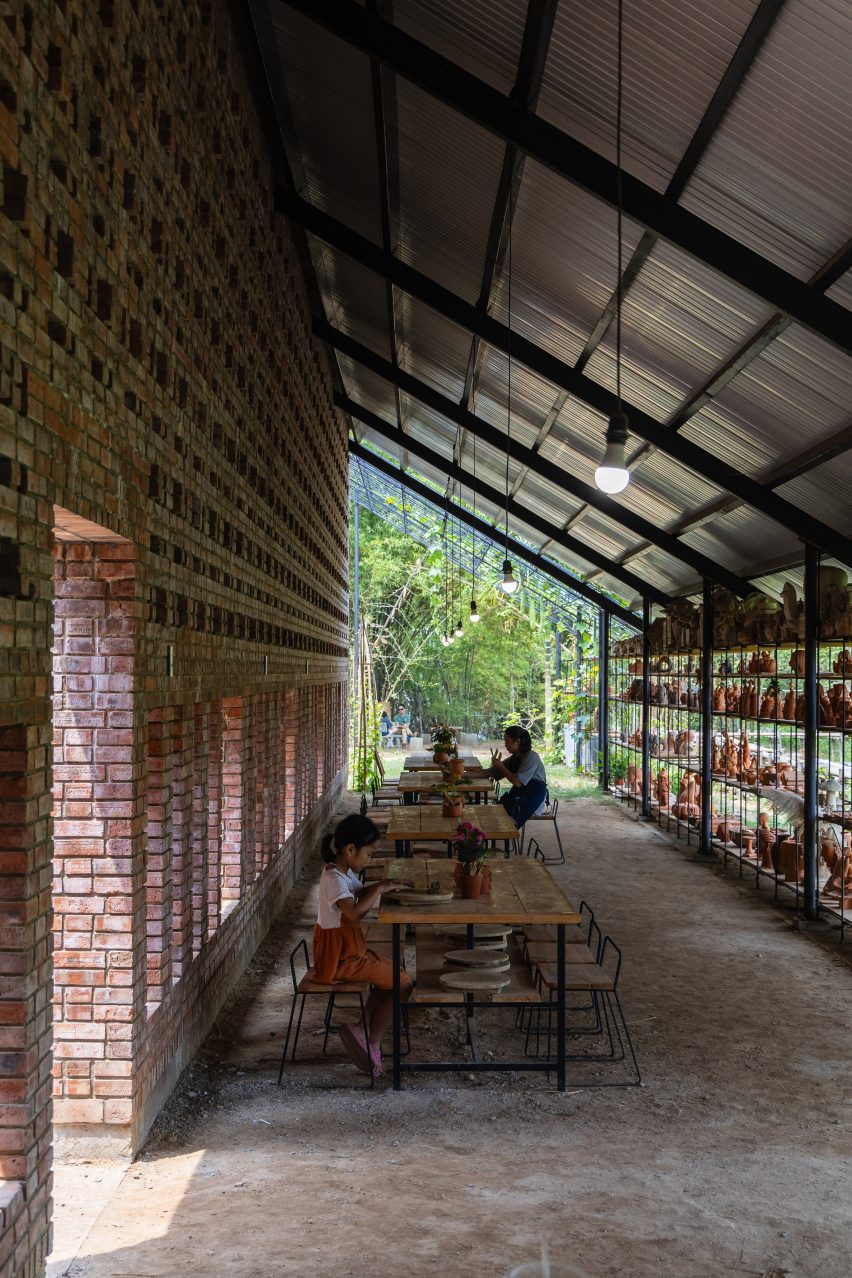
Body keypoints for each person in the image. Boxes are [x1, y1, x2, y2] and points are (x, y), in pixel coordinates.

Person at [314, 814, 414, 1076]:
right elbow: (353, 913)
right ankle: (372, 1040)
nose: (369, 860)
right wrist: (380, 890)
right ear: (350, 850)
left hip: (348, 953)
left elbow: (359, 892)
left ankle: (363, 1028)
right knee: (404, 984)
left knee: (391, 977)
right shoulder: (334, 879)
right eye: (368, 855)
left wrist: (384, 884)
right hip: (342, 961)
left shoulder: (340, 872)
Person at [489, 725, 548, 828]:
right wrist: (463, 774)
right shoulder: (514, 758)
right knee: (497, 810)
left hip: (533, 799)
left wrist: (500, 766)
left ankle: (507, 836)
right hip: (520, 795)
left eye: (507, 742)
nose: (505, 745)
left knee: (503, 816)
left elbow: (517, 783)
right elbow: (490, 773)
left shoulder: (531, 757)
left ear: (518, 741)